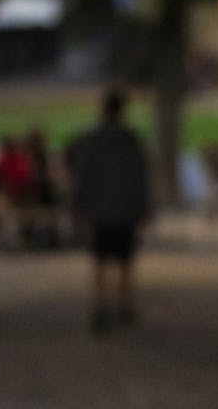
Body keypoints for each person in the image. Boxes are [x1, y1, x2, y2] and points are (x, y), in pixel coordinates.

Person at [68, 90, 150, 333]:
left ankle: (100, 306)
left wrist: (80, 204)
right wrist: (142, 206)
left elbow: (84, 175)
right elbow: (139, 177)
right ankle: (123, 305)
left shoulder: (93, 140)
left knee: (100, 262)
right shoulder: (130, 140)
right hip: (124, 209)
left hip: (101, 210)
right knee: (125, 261)